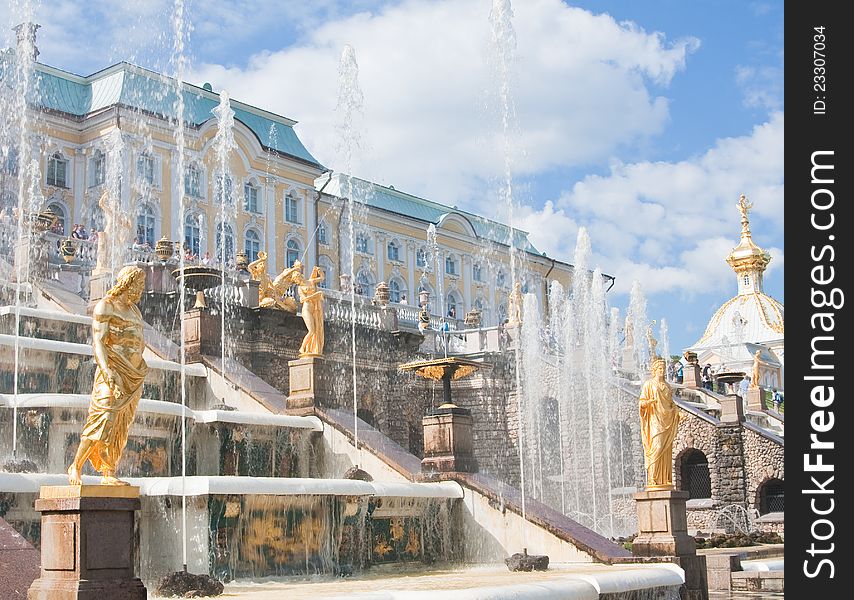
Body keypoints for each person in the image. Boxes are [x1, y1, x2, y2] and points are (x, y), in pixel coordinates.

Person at [67, 266, 148, 486]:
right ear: (127, 284)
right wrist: (108, 370)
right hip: (111, 370)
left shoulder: (135, 311)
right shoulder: (106, 306)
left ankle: (108, 471)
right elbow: (99, 343)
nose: (141, 289)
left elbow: (138, 341)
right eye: (138, 285)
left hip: (133, 375)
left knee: (121, 425)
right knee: (102, 419)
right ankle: (76, 466)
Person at [638, 357, 680, 488]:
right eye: (659, 369)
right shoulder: (649, 385)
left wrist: (678, 412)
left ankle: (664, 479)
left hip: (666, 420)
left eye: (663, 368)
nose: (662, 371)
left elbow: (672, 404)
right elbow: (641, 402)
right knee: (657, 447)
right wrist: (648, 403)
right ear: (654, 370)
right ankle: (652, 478)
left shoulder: (667, 386)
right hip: (655, 421)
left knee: (666, 450)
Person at [297, 265, 325, 357]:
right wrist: (316, 295)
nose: (298, 280)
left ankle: (312, 348)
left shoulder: (311, 281)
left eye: (299, 277)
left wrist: (320, 271)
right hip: (306, 309)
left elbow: (322, 278)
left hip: (314, 309)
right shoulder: (300, 288)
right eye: (297, 279)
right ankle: (302, 347)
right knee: (312, 331)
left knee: (316, 330)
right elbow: (303, 299)